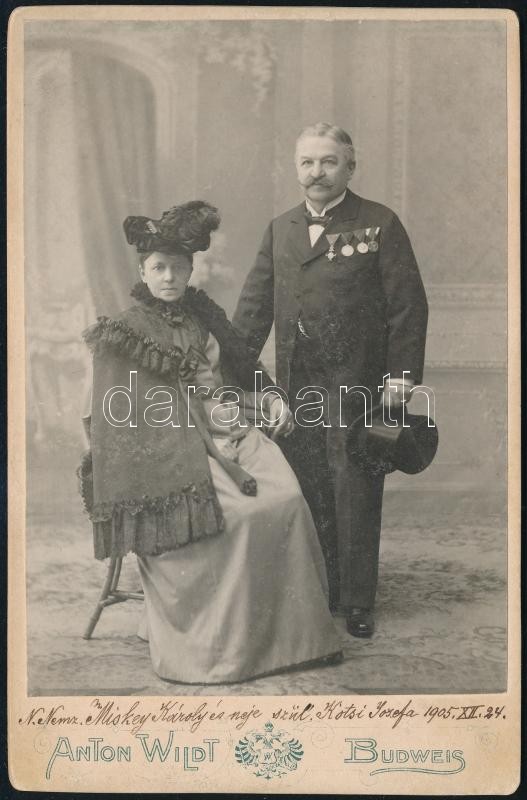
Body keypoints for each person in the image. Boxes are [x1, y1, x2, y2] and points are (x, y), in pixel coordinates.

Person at [81, 200, 342, 684]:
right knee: (237, 519)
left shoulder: (205, 315)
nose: (169, 278)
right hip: (175, 446)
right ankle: (224, 650)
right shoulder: (126, 331)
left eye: (178, 268)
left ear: (190, 270)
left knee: (287, 500)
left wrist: (269, 397)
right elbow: (125, 414)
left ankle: (288, 641)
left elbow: (242, 367)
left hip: (232, 426)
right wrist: (198, 431)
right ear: (143, 271)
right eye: (159, 268)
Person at [233, 122, 428, 638]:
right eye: (307, 163)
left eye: (328, 162)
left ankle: (357, 600)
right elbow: (253, 308)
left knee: (355, 485)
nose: (316, 172)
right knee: (309, 484)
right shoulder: (280, 228)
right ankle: (321, 589)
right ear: (296, 169)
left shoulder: (379, 222)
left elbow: (408, 306)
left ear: (349, 167)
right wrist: (230, 366)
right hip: (297, 385)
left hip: (358, 383)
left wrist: (400, 379)